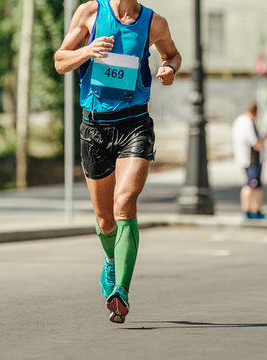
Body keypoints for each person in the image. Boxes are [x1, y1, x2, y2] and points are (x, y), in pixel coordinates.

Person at [54, 0, 181, 324]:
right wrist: (88, 50)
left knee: (125, 203)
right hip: (94, 127)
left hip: (135, 123)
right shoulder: (90, 13)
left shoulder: (154, 23)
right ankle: (111, 259)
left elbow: (172, 54)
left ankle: (121, 291)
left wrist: (169, 69)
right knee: (105, 220)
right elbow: (60, 61)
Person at [232, 102, 267, 219]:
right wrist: (264, 139)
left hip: (247, 159)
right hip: (251, 159)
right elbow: (255, 144)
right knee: (250, 185)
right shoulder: (248, 122)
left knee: (256, 186)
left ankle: (256, 209)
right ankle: (247, 209)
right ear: (255, 112)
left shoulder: (239, 120)